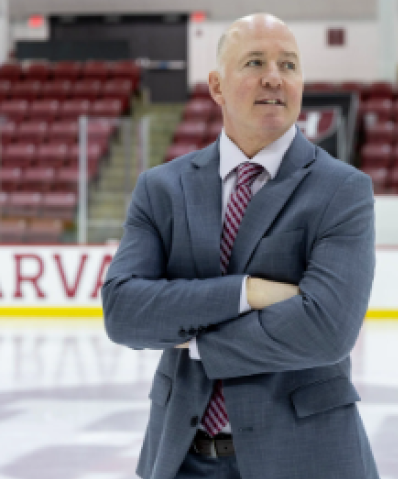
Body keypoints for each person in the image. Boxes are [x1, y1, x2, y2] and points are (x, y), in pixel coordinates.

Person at [102, 13, 379, 479]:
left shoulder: (342, 190)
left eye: (288, 65)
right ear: (216, 85)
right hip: (179, 459)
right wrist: (246, 292)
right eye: (255, 62)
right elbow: (124, 312)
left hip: (305, 460)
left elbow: (328, 329)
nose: (274, 76)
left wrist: (194, 339)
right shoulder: (161, 188)